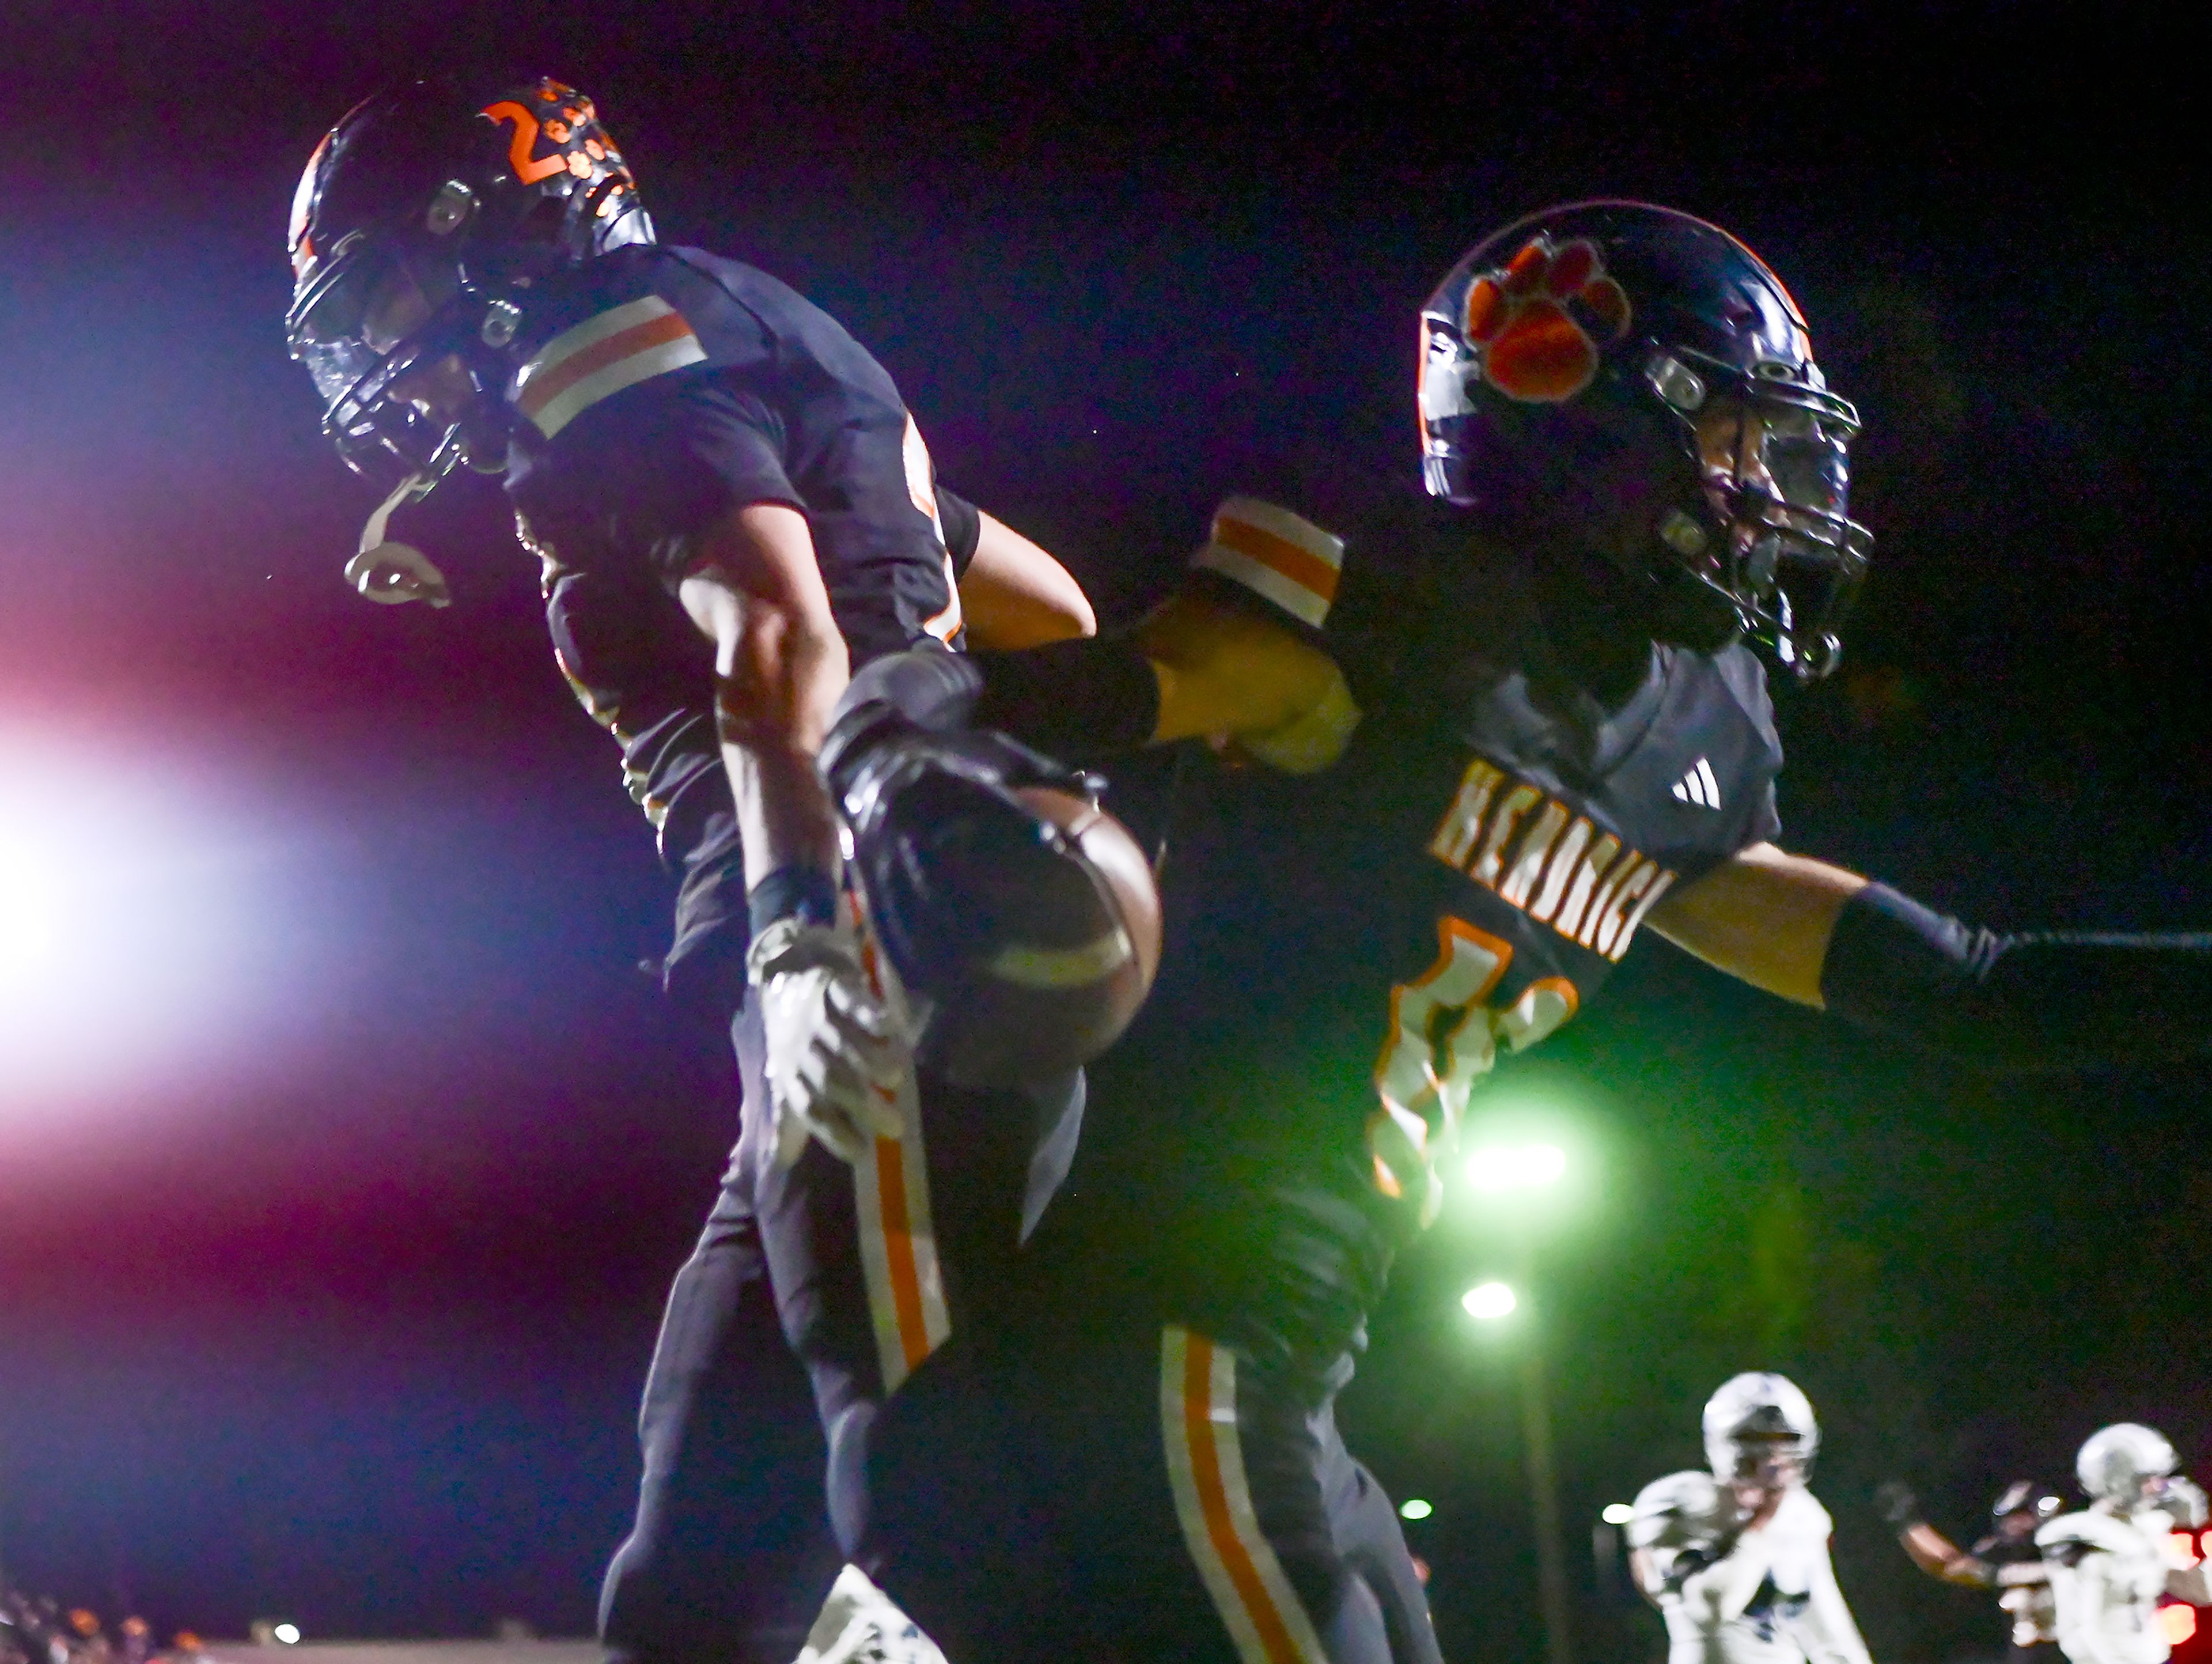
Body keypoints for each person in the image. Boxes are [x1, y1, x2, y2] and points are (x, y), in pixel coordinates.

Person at [855, 198, 2212, 1662]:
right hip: (1152, 1329)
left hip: (1293, 1370)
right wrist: (850, 592)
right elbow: (1101, 695)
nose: (1770, 493)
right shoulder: (1397, 605)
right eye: (1740, 444)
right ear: (1603, 421)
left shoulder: (1684, 735)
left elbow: (1971, 990)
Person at [282, 74, 1104, 1664]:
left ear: (509, 222)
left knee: (916, 1481)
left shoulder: (600, 344)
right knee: (696, 1570)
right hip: (907, 885)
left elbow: (778, 630)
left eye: (389, 286)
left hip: (851, 921)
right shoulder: (731, 329)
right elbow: (1050, 605)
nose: (384, 344)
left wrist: (805, 927)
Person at [1625, 1373, 1871, 1663]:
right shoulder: (1682, 1501)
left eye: (1785, 1439)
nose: (1773, 1455)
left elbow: (1831, 1639)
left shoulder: (1802, 1515)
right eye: (1756, 1438)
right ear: (1725, 1441)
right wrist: (1763, 1523)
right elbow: (1710, 1608)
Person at [2039, 1424, 2212, 1664]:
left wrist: (2193, 1530)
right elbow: (2078, 1627)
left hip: (2153, 1657)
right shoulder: (2082, 1535)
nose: (2158, 1488)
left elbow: (2202, 1592)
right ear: (2119, 1479)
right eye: (2149, 1479)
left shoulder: (2149, 1529)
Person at [1878, 1476, 2061, 1659]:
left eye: (2020, 1516)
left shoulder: (2076, 1540)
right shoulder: (2001, 1556)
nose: (2012, 1526)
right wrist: (1908, 1525)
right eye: (2008, 1519)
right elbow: (1949, 1565)